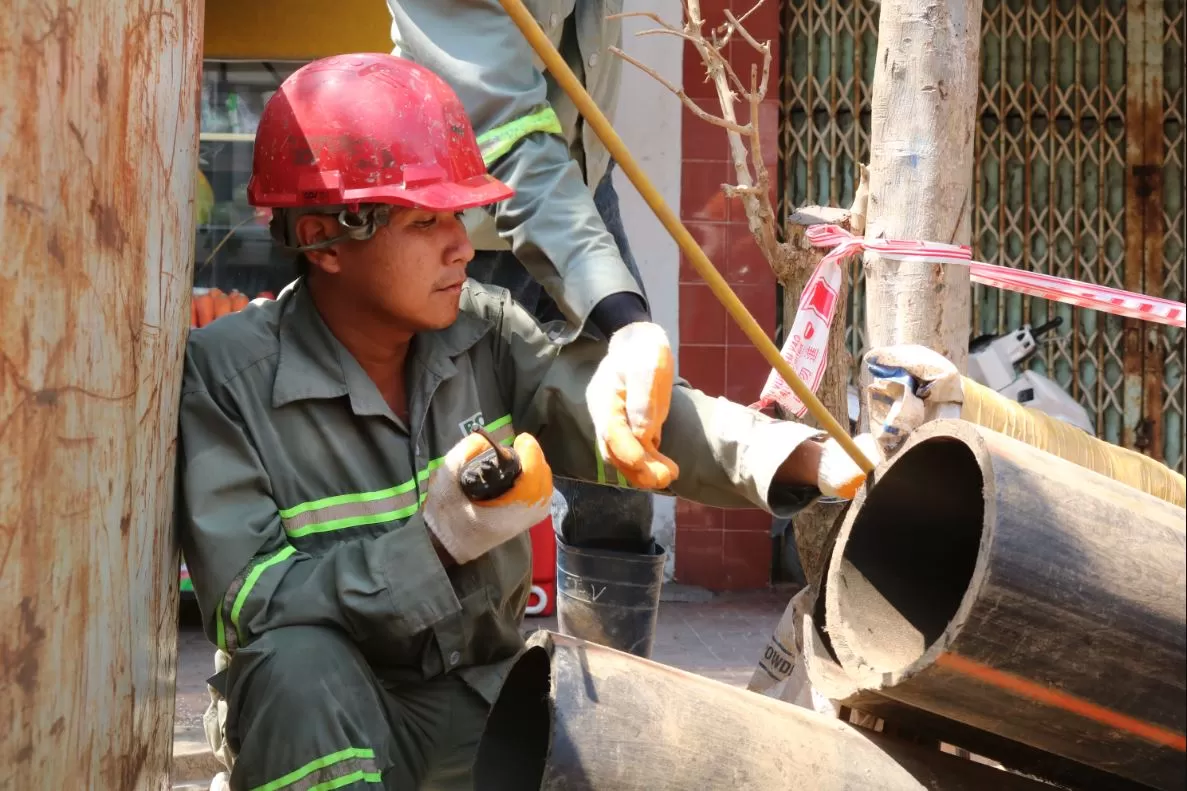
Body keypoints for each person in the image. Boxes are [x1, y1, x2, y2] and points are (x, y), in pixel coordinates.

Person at [177, 54, 871, 791]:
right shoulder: (230, 378)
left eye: (459, 216)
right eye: (425, 222)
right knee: (292, 663)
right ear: (324, 236)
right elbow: (250, 603)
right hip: (333, 718)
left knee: (637, 733)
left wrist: (803, 458)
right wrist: (433, 546)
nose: (460, 247)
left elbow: (615, 413)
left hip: (478, 702)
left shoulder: (482, 329)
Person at [383, 0, 674, 655]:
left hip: (578, 190)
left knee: (621, 467)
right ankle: (447, 692)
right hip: (459, 210)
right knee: (452, 474)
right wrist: (622, 318)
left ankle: (612, 701)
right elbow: (509, 138)